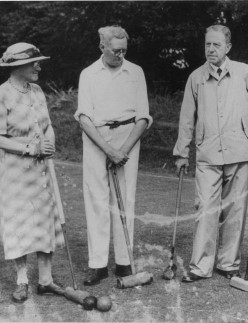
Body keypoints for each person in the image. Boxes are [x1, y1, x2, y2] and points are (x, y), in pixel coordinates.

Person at [173, 25, 248, 283]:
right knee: (205, 208)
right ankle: (201, 266)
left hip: (240, 150)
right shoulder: (196, 77)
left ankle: (228, 263)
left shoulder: (246, 73)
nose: (211, 49)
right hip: (207, 153)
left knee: (235, 209)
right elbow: (186, 118)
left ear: (228, 47)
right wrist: (182, 152)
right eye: (207, 45)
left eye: (216, 45)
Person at [74, 25, 152, 286]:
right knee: (96, 199)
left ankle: (124, 263)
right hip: (96, 139)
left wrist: (123, 150)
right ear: (102, 47)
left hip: (128, 139)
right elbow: (84, 118)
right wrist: (108, 150)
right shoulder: (88, 74)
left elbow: (143, 117)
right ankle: (97, 265)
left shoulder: (136, 72)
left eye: (124, 51)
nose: (120, 55)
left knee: (125, 200)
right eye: (115, 50)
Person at [0, 43, 65, 303]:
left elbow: (47, 126)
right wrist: (31, 148)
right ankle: (22, 280)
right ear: (16, 67)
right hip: (15, 173)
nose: (38, 67)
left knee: (44, 220)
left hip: (41, 171)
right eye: (34, 63)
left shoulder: (38, 91)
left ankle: (46, 280)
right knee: (19, 222)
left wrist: (49, 143)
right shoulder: (0, 95)